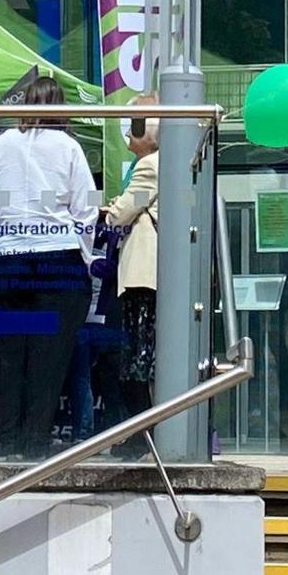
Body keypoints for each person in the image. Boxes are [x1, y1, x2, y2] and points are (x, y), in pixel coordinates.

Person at [0, 75, 98, 458]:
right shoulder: (70, 148)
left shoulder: (0, 146)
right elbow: (86, 209)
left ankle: (4, 442)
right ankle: (35, 446)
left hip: (7, 261)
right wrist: (85, 257)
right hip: (57, 262)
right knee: (48, 355)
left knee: (3, 356)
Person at [102, 120, 161, 423]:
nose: (127, 132)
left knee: (138, 354)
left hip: (142, 274)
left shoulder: (149, 166)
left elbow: (121, 213)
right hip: (151, 275)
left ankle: (141, 430)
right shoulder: (167, 163)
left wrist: (113, 208)